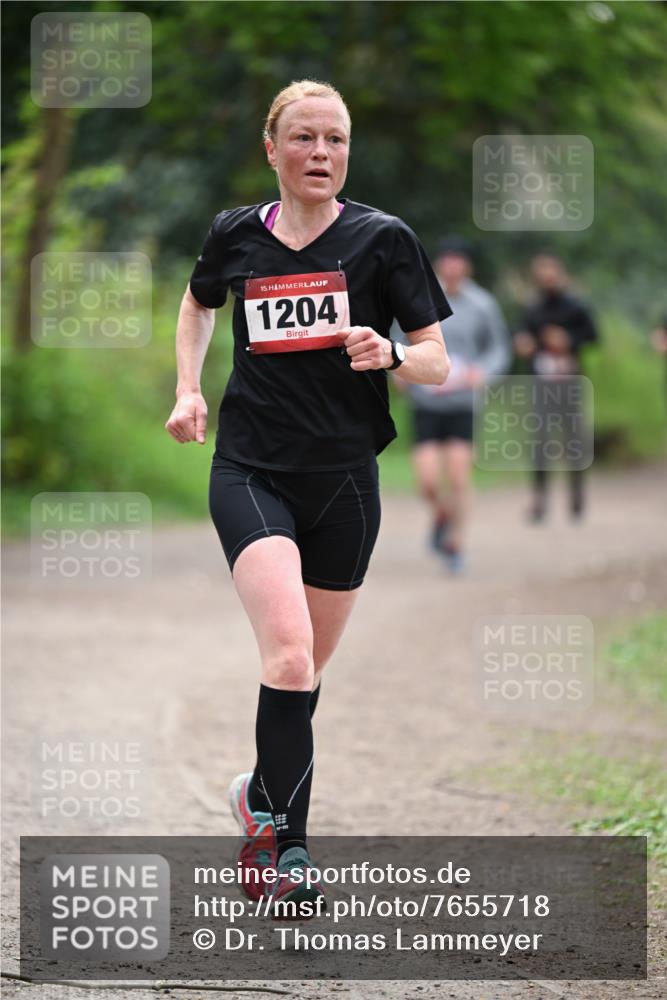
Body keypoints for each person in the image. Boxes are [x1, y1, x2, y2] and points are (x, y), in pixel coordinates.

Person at [165, 80, 451, 915]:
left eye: (335, 139)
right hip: (251, 470)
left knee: (304, 674)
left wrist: (390, 354)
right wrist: (188, 388)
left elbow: (436, 360)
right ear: (272, 148)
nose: (320, 152)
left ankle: (259, 790)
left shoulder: (383, 239)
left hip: (345, 482)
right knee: (288, 655)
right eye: (303, 137)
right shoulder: (235, 234)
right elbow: (197, 302)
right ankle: (285, 851)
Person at [392, 237, 510, 574]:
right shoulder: (420, 297)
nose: (453, 266)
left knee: (458, 477)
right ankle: (442, 516)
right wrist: (399, 369)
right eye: (448, 259)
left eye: (459, 260)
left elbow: (499, 347)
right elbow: (397, 338)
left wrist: (482, 372)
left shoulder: (483, 304)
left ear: (467, 266)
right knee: (427, 481)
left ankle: (456, 544)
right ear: (438, 265)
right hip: (426, 399)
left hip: (462, 402)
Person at [514, 253, 598, 522]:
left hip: (570, 382)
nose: (547, 278)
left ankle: (576, 493)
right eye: (542, 274)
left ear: (560, 274)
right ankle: (540, 498)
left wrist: (568, 339)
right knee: (540, 440)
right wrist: (524, 343)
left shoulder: (575, 306)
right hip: (542, 383)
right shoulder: (533, 308)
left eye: (551, 272)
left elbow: (593, 336)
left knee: (573, 440)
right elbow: (521, 335)